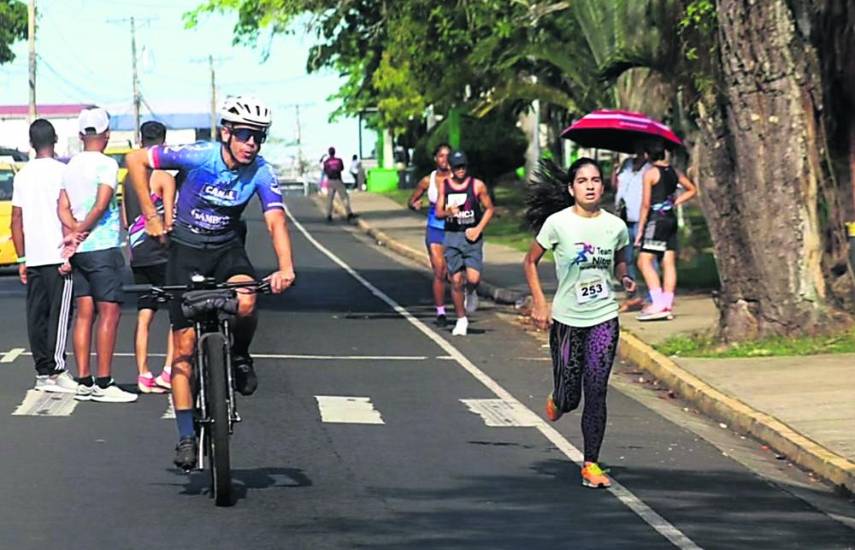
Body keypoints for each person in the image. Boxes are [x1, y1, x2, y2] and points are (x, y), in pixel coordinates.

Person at [125, 95, 296, 470]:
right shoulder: (199, 156)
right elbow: (135, 160)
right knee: (183, 349)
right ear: (227, 133)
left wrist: (285, 267)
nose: (252, 144)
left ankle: (239, 355)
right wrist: (151, 216)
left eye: (259, 138)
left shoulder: (261, 172)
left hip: (227, 250)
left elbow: (275, 221)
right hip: (185, 253)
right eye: (246, 135)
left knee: (248, 299)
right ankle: (186, 435)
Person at [523, 157, 635, 489]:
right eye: (582, 180)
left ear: (603, 186)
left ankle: (591, 464)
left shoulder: (615, 226)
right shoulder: (557, 223)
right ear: (572, 188)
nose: (590, 185)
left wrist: (626, 278)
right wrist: (540, 302)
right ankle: (558, 399)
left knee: (597, 391)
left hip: (603, 317)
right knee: (571, 396)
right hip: (568, 320)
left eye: (595, 180)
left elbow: (620, 262)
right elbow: (530, 261)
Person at [57, 107, 137, 403]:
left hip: (79, 251)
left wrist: (73, 231)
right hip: (102, 246)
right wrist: (84, 229)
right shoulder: (107, 165)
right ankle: (103, 382)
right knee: (109, 312)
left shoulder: (70, 165)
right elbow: (102, 204)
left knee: (84, 314)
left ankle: (84, 379)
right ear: (106, 135)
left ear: (80, 135)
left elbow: (61, 206)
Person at [10, 119, 77, 394]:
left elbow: (17, 218)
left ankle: (42, 372)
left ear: (30, 143)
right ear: (56, 139)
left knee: (36, 315)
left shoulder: (22, 175)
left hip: (35, 255)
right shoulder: (64, 172)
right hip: (59, 252)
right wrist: (70, 254)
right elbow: (69, 212)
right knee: (59, 315)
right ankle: (57, 370)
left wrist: (21, 258)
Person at [122, 121, 174, 394]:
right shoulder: (164, 177)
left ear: (140, 140)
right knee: (178, 314)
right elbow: (169, 219)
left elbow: (124, 217)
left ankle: (143, 374)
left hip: (137, 253)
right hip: (162, 253)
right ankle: (168, 371)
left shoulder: (128, 178)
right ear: (163, 144)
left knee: (144, 314)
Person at [634, 141, 698, 321]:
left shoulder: (650, 173)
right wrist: (676, 202)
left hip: (656, 220)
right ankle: (667, 302)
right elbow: (692, 189)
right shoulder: (673, 171)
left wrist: (640, 230)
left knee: (644, 261)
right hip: (670, 219)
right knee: (668, 261)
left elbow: (646, 204)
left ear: (647, 155)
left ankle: (658, 302)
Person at [435, 150, 494, 336]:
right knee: (456, 280)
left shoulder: (477, 186)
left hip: (472, 237)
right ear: (451, 168)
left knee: (474, 278)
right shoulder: (445, 186)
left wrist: (478, 229)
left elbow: (490, 209)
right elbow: (438, 212)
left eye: (463, 166)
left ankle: (472, 292)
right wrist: (447, 212)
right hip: (452, 236)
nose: (461, 170)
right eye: (457, 167)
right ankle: (461, 319)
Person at [408, 143, 452, 326]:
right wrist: (415, 204)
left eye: (448, 156)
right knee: (439, 271)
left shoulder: (458, 179)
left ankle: (465, 296)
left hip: (455, 229)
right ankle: (440, 312)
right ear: (435, 159)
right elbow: (412, 200)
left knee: (456, 274)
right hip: (435, 228)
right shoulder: (428, 180)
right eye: (441, 156)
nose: (445, 159)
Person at [612, 146, 650, 312]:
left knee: (647, 259)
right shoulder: (626, 164)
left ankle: (652, 295)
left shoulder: (650, 169)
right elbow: (616, 185)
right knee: (624, 260)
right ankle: (633, 294)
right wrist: (615, 170)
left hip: (642, 217)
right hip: (624, 218)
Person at [323, 146, 355, 222]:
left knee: (330, 199)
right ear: (334, 152)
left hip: (330, 181)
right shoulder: (339, 160)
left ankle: (328, 215)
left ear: (329, 153)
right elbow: (341, 168)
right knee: (344, 197)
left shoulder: (326, 162)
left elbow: (325, 171)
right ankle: (349, 213)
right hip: (338, 180)